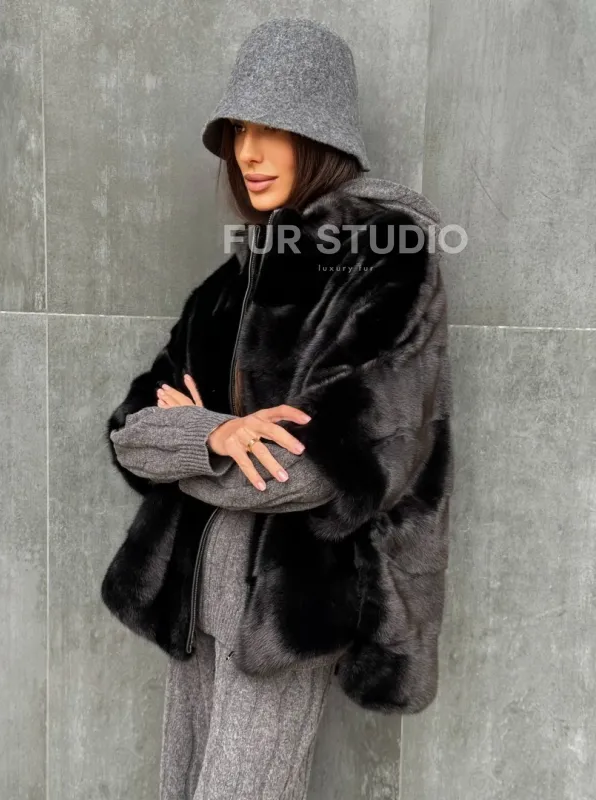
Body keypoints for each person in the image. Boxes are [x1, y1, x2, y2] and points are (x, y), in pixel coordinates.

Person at [103, 16, 454, 800]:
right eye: (239, 132)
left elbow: (318, 469)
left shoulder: (388, 261)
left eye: (273, 130)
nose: (249, 154)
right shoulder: (234, 282)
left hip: (283, 613)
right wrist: (217, 434)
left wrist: (188, 444)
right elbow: (130, 431)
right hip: (194, 602)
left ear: (320, 136)